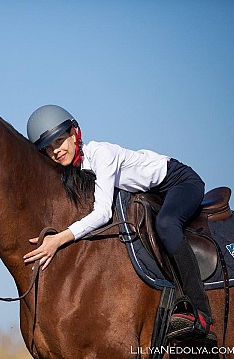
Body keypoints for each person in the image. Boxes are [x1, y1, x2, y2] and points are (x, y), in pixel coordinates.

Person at [23, 104, 215, 342]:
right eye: (49, 148)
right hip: (152, 192)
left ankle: (201, 312)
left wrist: (59, 239)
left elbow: (102, 213)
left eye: (60, 140)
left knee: (166, 224)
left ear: (74, 134)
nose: (56, 151)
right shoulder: (76, 170)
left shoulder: (101, 155)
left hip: (178, 182)